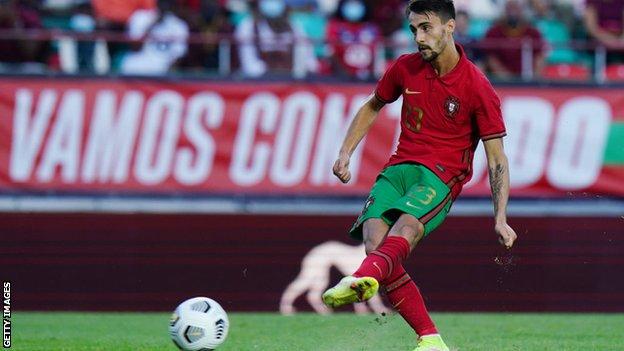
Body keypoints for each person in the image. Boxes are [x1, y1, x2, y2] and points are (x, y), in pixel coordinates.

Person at [321, 1, 517, 350]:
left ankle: (363, 277)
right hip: (398, 169)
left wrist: (500, 217)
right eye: (413, 30)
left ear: (450, 27)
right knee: (375, 244)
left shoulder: (477, 86)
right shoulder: (405, 67)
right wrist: (345, 151)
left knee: (405, 231)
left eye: (426, 28)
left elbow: (497, 158)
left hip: (441, 176)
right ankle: (430, 339)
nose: (418, 37)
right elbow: (373, 104)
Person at [234, 0, 318, 78]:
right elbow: (249, 65)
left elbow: (309, 63)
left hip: (291, 82)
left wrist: (296, 71)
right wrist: (274, 73)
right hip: (260, 82)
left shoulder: (294, 27)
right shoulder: (248, 26)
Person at [120, 0, 190, 75]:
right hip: (135, 69)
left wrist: (167, 74)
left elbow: (178, 56)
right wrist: (152, 25)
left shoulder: (179, 26)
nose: (164, 4)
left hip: (161, 73)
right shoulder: (140, 17)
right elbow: (134, 47)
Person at [483, 0, 545, 79]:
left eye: (515, 8)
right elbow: (491, 59)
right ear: (504, 10)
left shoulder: (533, 33)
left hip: (528, 81)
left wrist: (534, 80)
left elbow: (539, 58)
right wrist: (508, 80)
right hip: (502, 82)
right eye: (510, 8)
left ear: (522, 10)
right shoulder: (493, 33)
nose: (512, 13)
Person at [325, 0, 381, 79]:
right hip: (341, 77)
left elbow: (376, 54)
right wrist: (344, 75)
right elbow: (331, 52)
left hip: (367, 77)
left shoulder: (372, 28)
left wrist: (371, 76)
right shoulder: (334, 27)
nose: (354, 7)